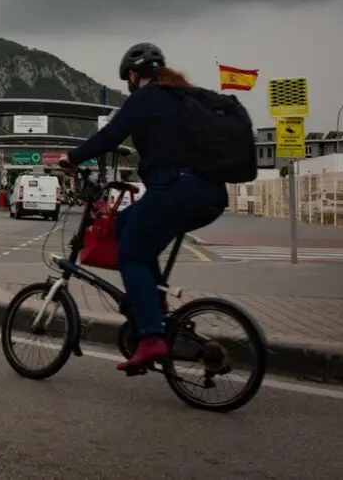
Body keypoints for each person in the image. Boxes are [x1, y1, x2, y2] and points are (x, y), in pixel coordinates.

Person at [57, 42, 229, 373]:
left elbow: (110, 136)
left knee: (131, 255)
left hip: (176, 190)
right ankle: (156, 306)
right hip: (210, 193)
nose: (129, 85)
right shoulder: (184, 98)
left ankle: (151, 336)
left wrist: (72, 158)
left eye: (128, 80)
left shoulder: (147, 98)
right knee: (124, 227)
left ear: (135, 75)